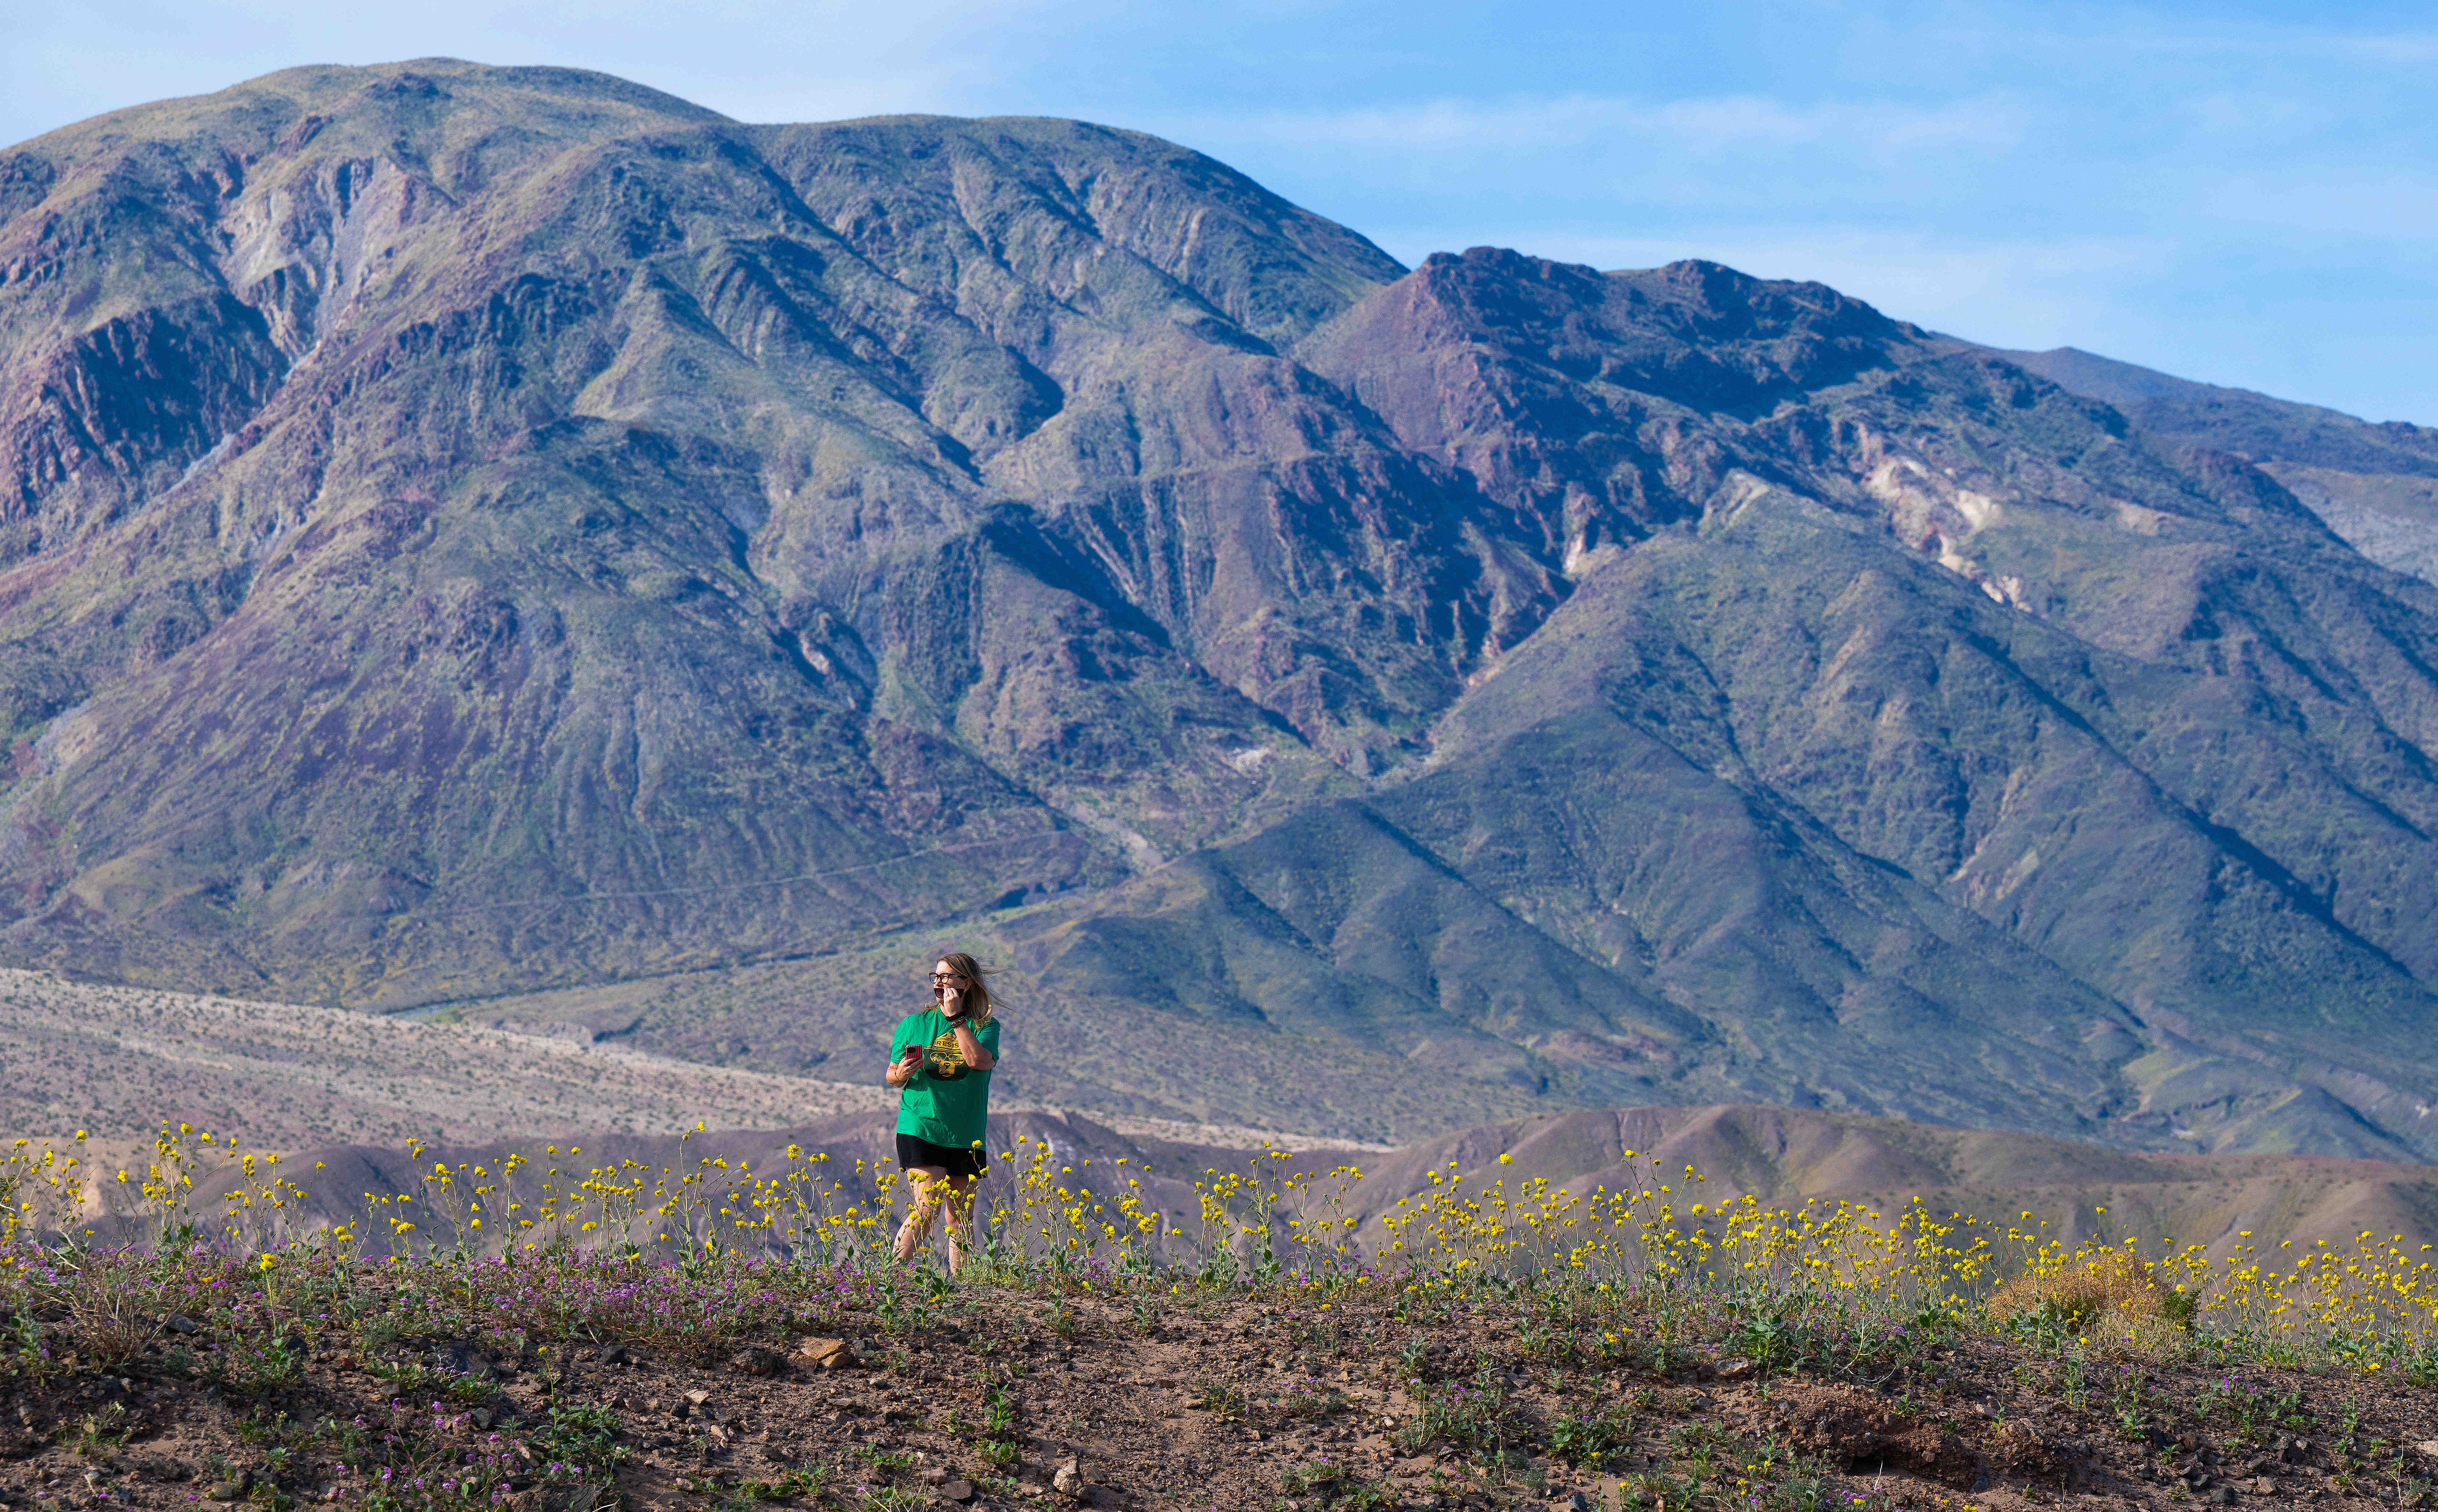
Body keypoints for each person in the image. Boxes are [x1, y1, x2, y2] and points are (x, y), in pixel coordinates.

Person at [886, 950, 1001, 1272]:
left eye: (947, 976)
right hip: (920, 1123)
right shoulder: (913, 1024)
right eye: (936, 976)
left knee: (960, 1215)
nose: (939, 982)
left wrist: (957, 1020)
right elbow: (892, 1075)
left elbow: (979, 1061)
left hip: (966, 1131)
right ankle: (889, 1278)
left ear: (967, 982)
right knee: (928, 1206)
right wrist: (904, 1072)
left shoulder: (985, 1026)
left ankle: (961, 1289)